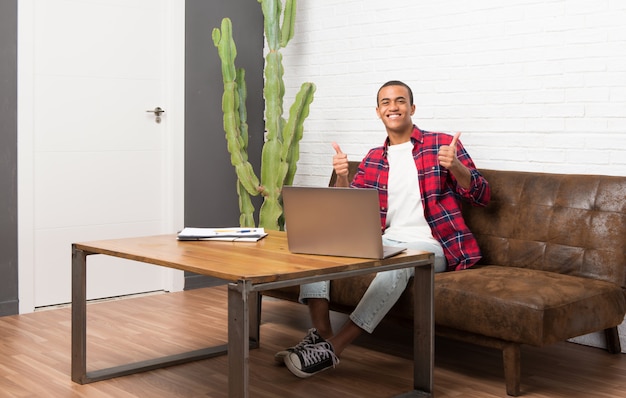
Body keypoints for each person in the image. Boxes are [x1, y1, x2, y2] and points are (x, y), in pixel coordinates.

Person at [278, 80, 491, 378]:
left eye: (400, 101)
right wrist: (341, 179)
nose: (394, 107)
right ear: (378, 112)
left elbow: (482, 196)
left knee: (397, 267)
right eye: (386, 102)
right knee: (320, 249)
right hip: (387, 240)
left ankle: (335, 348)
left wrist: (455, 166)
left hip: (433, 245)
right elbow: (349, 210)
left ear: (412, 108)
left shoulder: (441, 145)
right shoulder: (374, 158)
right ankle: (321, 335)